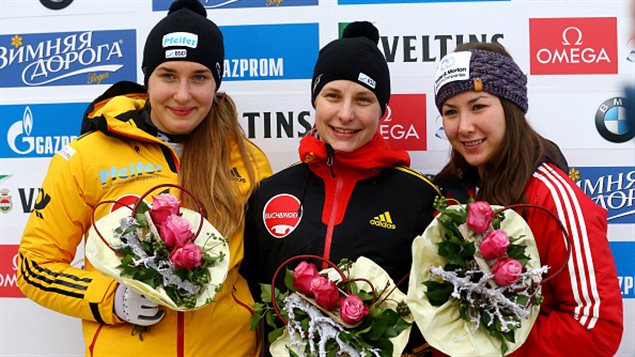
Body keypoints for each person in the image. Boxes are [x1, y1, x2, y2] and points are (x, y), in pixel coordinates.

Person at [16, 0, 271, 355]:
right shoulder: (86, 156)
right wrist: (112, 299)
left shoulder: (247, 160)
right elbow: (33, 268)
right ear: (147, 78)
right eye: (168, 75)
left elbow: (262, 271)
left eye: (199, 77)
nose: (183, 94)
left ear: (217, 82)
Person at [241, 21, 440, 355]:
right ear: (315, 101)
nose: (345, 114)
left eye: (363, 99)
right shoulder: (271, 192)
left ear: (383, 110)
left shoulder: (420, 198)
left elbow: (435, 315)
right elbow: (252, 303)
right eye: (332, 96)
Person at [432, 41, 623, 356]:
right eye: (451, 112)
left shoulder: (553, 196)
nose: (464, 127)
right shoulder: (452, 195)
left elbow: (596, 327)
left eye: (478, 106)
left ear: (510, 107)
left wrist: (489, 345)